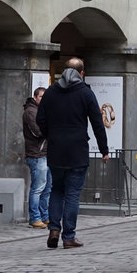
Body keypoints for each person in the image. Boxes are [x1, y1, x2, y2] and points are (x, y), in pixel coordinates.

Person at [37, 58, 109, 249]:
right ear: (82, 73)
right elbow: (97, 123)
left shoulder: (51, 92)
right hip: (77, 150)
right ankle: (68, 236)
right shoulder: (85, 92)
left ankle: (53, 229)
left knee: (56, 190)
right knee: (72, 195)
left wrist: (51, 136)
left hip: (56, 150)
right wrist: (104, 149)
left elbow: (40, 118)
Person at [23, 86, 51, 229]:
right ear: (35, 97)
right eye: (41, 97)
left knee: (47, 188)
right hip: (37, 154)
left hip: (46, 154)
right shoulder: (30, 111)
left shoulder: (43, 110)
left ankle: (45, 216)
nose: (43, 100)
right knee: (37, 188)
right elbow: (38, 132)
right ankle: (35, 217)